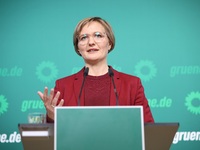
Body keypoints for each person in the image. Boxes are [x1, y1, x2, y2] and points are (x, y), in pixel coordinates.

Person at [38, 17, 154, 123]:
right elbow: (54, 139)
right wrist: (52, 116)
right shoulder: (63, 86)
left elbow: (149, 132)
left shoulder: (132, 84)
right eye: (84, 38)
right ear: (78, 48)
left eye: (98, 35)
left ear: (109, 43)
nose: (91, 42)